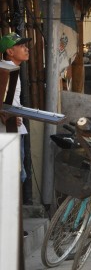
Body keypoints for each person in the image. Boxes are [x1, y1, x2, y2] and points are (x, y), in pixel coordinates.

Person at [0, 32, 31, 184]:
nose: (26, 49)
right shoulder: (4, 69)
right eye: (21, 46)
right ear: (10, 52)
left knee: (17, 176)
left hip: (14, 130)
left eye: (26, 45)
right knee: (13, 177)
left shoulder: (10, 68)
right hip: (8, 131)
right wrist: (7, 116)